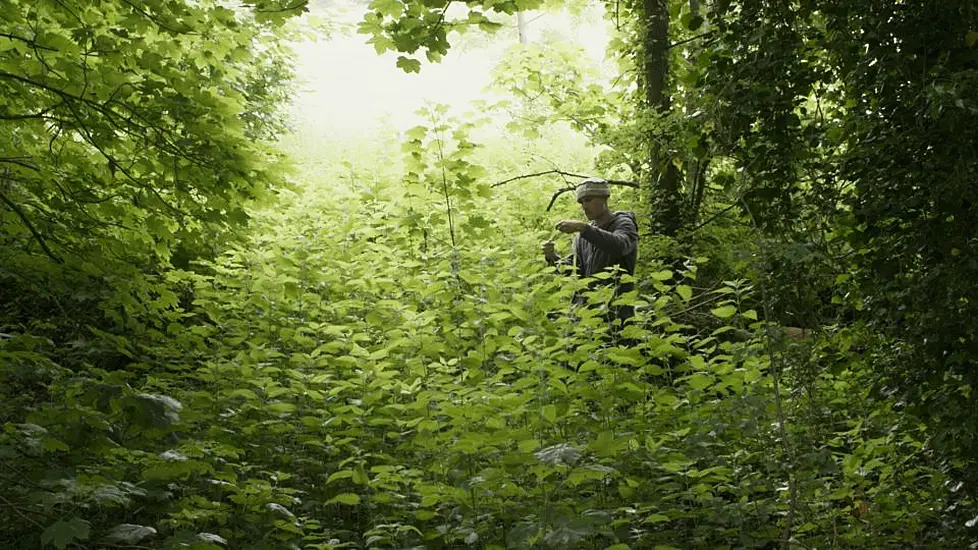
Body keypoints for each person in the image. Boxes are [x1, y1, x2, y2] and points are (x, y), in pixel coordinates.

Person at [542, 178, 639, 329]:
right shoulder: (583, 236)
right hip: (586, 315)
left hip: (616, 314)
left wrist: (583, 228)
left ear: (604, 198)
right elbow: (574, 271)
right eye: (581, 202)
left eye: (588, 200)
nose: (585, 206)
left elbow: (620, 245)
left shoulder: (623, 223)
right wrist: (553, 257)